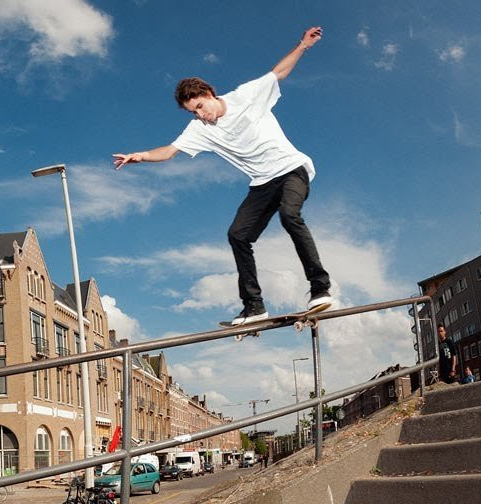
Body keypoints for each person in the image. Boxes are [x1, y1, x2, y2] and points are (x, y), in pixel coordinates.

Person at [113, 27, 333, 326]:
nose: (201, 116)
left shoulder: (246, 96)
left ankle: (320, 287)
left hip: (291, 169)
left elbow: (278, 73)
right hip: (262, 183)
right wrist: (140, 156)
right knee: (237, 235)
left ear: (209, 94)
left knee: (289, 215)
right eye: (194, 113)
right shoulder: (200, 130)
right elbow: (170, 150)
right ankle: (254, 306)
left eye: (201, 107)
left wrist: (303, 45)